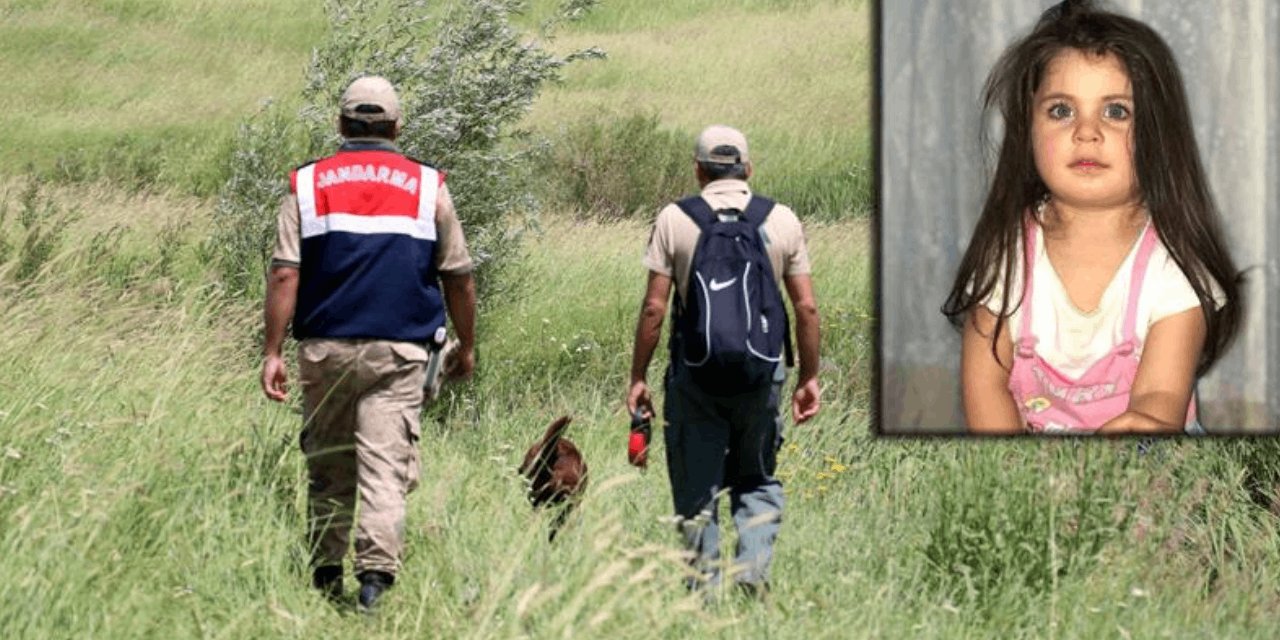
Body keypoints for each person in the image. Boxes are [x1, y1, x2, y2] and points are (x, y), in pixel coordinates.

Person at [941, 0, 1242, 435]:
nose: (1086, 131)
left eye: (1116, 111)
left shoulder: (1175, 264)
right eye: (1061, 110)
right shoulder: (1007, 251)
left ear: (1158, 135)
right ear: (1028, 130)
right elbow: (985, 385)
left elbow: (1160, 399)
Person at [260, 75, 477, 610]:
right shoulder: (428, 185)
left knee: (330, 466)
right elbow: (459, 274)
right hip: (400, 354)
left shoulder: (307, 184)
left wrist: (271, 351)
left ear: (340, 124)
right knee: (385, 468)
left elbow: (286, 273)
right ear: (397, 126)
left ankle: (327, 576)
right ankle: (375, 583)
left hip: (324, 350)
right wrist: (467, 345)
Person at [627, 124, 820, 596]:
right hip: (761, 376)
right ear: (748, 169)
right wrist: (809, 377)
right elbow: (806, 308)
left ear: (698, 170)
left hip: (695, 378)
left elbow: (655, 307)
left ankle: (704, 595)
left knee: (697, 491)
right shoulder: (782, 219)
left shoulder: (675, 219)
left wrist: (637, 376)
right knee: (755, 479)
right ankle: (752, 574)